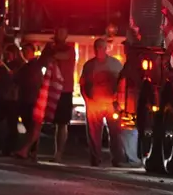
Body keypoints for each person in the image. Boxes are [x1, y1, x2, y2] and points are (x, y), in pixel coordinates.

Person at [80, 38, 124, 166]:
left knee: (116, 132)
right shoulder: (89, 66)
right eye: (97, 47)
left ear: (106, 49)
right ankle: (95, 159)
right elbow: (82, 84)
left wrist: (118, 101)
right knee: (94, 134)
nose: (99, 50)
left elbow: (121, 84)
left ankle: (117, 159)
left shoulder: (116, 64)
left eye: (102, 47)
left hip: (111, 104)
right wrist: (87, 100)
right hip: (94, 104)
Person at [40, 27, 76, 163]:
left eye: (63, 32)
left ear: (67, 35)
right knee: (42, 120)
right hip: (50, 88)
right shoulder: (50, 48)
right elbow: (42, 61)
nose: (60, 34)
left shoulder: (70, 49)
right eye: (58, 31)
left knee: (62, 123)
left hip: (65, 89)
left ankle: (58, 153)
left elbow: (62, 56)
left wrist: (51, 50)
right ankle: (34, 151)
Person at [0, 44, 24, 155]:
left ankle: (10, 148)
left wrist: (14, 75)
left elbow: (20, 81)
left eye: (10, 53)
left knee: (12, 124)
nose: (8, 55)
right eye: (6, 53)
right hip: (3, 98)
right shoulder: (4, 66)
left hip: (13, 98)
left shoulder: (20, 66)